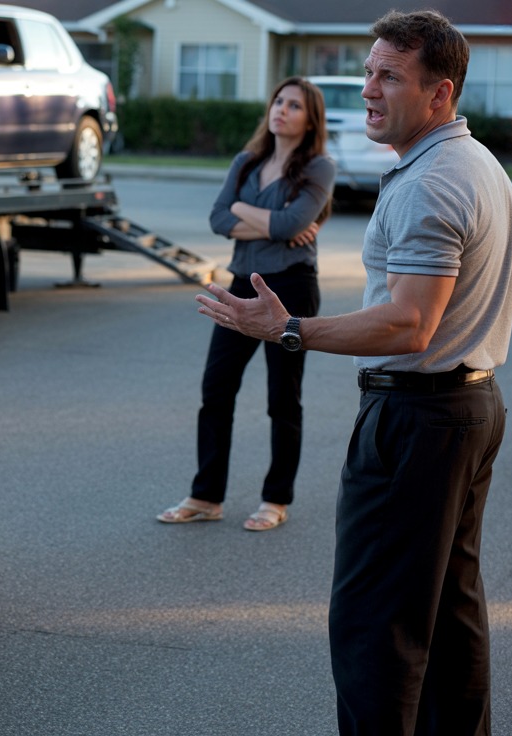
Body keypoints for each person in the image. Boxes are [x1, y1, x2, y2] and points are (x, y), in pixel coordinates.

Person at [195, 10, 512, 734]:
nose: (368, 89)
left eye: (388, 77)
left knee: (378, 633)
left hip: (420, 420)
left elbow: (410, 321)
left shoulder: (436, 180)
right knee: (450, 618)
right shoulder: (475, 162)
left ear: (440, 94)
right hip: (466, 409)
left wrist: (288, 329)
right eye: (369, 72)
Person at [158, 76, 335, 531]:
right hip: (242, 285)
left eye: (295, 105)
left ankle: (276, 499)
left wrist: (248, 213)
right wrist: (266, 221)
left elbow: (292, 222)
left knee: (283, 397)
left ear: (310, 118)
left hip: (292, 288)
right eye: (279, 101)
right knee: (216, 388)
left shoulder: (318, 168)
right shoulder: (246, 161)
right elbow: (220, 218)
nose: (283, 110)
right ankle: (206, 496)